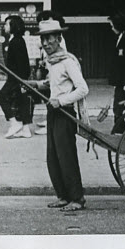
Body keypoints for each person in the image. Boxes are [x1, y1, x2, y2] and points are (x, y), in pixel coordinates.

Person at [28, 19, 89, 212]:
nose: (46, 43)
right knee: (53, 157)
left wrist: (61, 101)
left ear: (59, 39)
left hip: (65, 113)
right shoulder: (52, 61)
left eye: (49, 39)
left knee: (66, 156)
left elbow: (83, 89)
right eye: (43, 39)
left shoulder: (67, 61)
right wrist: (36, 85)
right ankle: (63, 196)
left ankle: (77, 199)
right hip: (53, 112)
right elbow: (53, 83)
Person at [0, 14, 33, 139]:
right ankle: (26, 129)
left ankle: (14, 123)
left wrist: (22, 81)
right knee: (21, 101)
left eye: (7, 24)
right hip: (19, 78)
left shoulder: (15, 42)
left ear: (14, 26)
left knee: (1, 97)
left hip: (16, 78)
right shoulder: (17, 40)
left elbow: (22, 63)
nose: (5, 26)